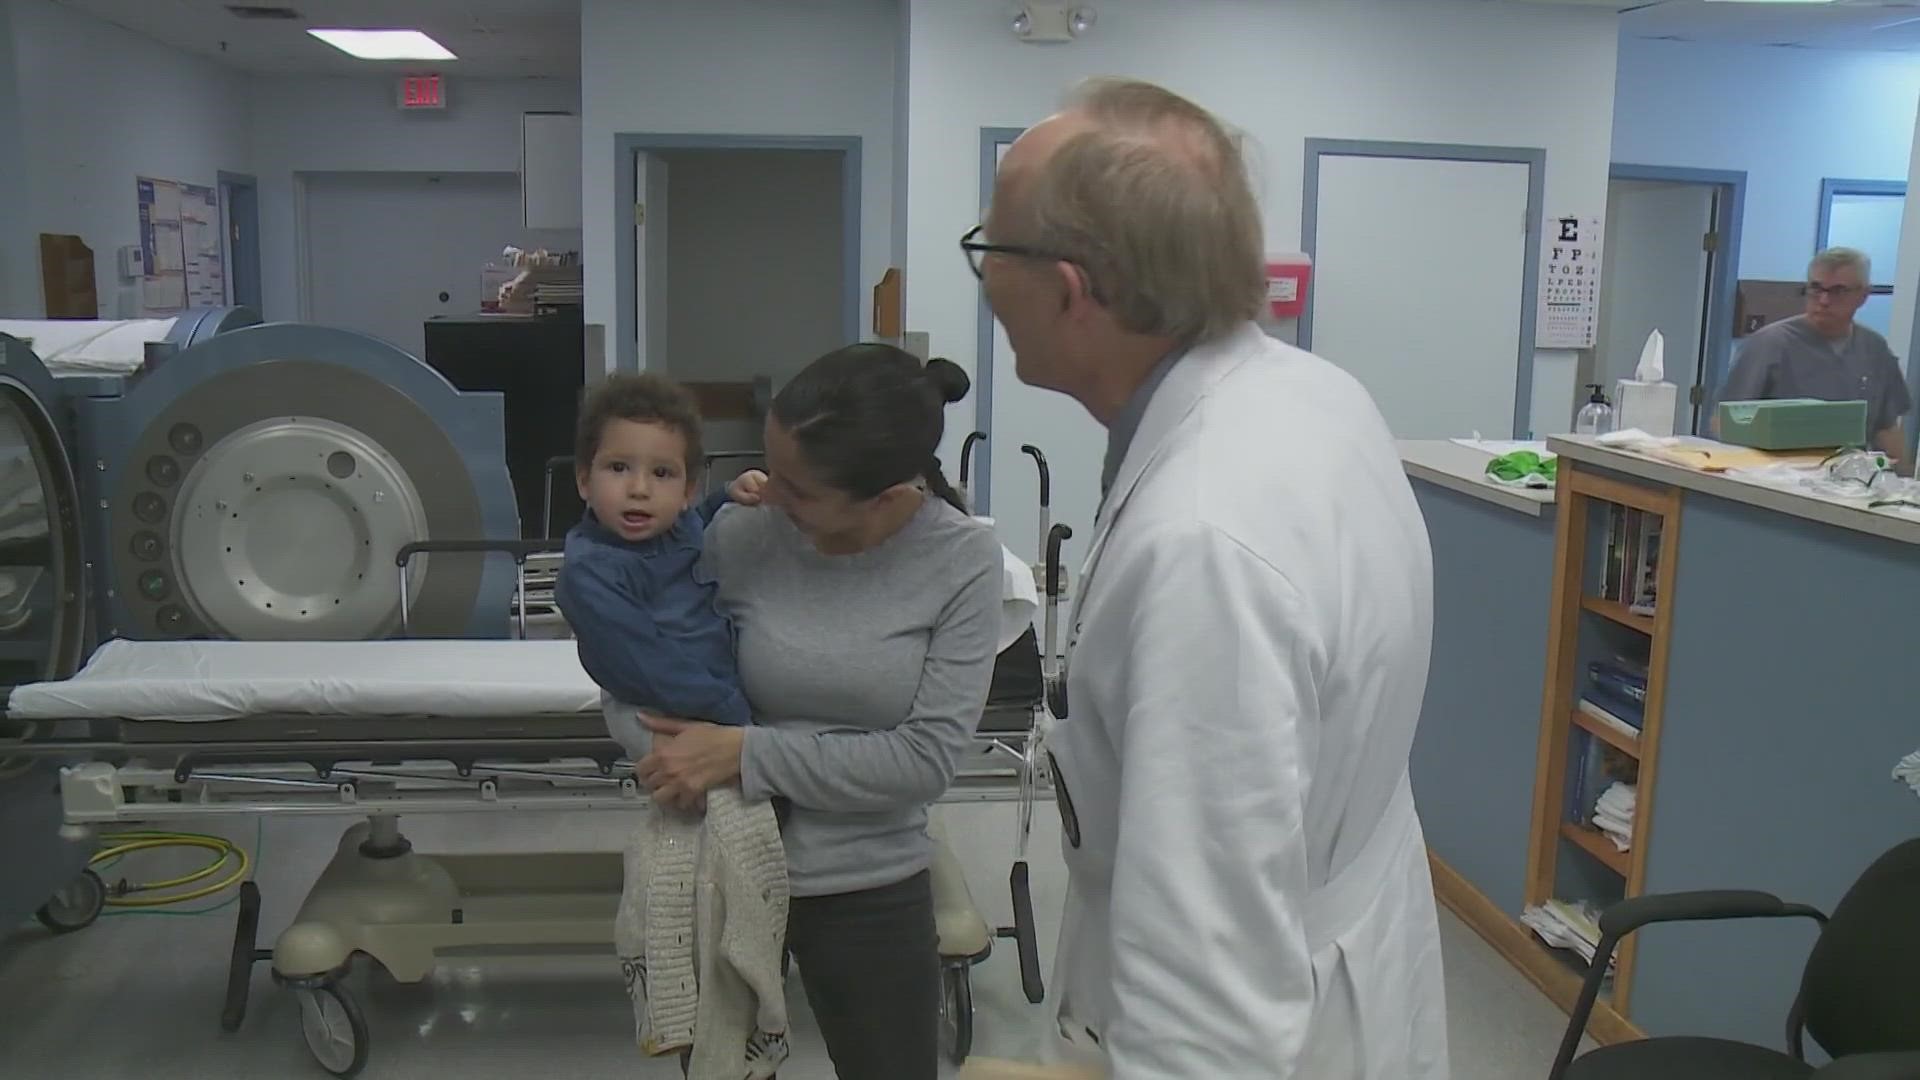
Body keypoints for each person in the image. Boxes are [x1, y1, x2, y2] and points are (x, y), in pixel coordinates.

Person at [965, 78, 1449, 1077]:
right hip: (1341, 944)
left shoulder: (1202, 547)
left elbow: (1208, 1008)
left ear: (1068, 288)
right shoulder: (1315, 394)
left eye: (989, 247)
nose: (982, 276)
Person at [633, 344, 1003, 1080]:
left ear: (890, 497)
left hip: (866, 885)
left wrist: (742, 755)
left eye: (798, 490)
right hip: (724, 865)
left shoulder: (962, 561)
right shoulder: (738, 534)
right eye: (769, 467)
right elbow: (643, 675)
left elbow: (921, 762)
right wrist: (673, 759)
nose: (768, 495)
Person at [552, 374, 788, 1079]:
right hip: (658, 705)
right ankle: (700, 1000)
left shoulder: (686, 519)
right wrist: (743, 727)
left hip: (710, 698)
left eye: (662, 475)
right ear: (584, 482)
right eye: (618, 469)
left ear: (686, 490)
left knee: (726, 847)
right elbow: (650, 668)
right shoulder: (589, 574)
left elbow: (695, 533)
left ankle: (737, 967)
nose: (638, 490)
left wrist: (730, 497)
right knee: (694, 847)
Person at [1718, 247, 1911, 472]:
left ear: (1863, 296)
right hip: (1778, 479)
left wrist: (1905, 482)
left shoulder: (1875, 349)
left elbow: (1886, 428)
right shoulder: (1770, 344)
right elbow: (1724, 422)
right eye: (1816, 288)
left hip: (1850, 480)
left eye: (1838, 291)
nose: (1824, 300)